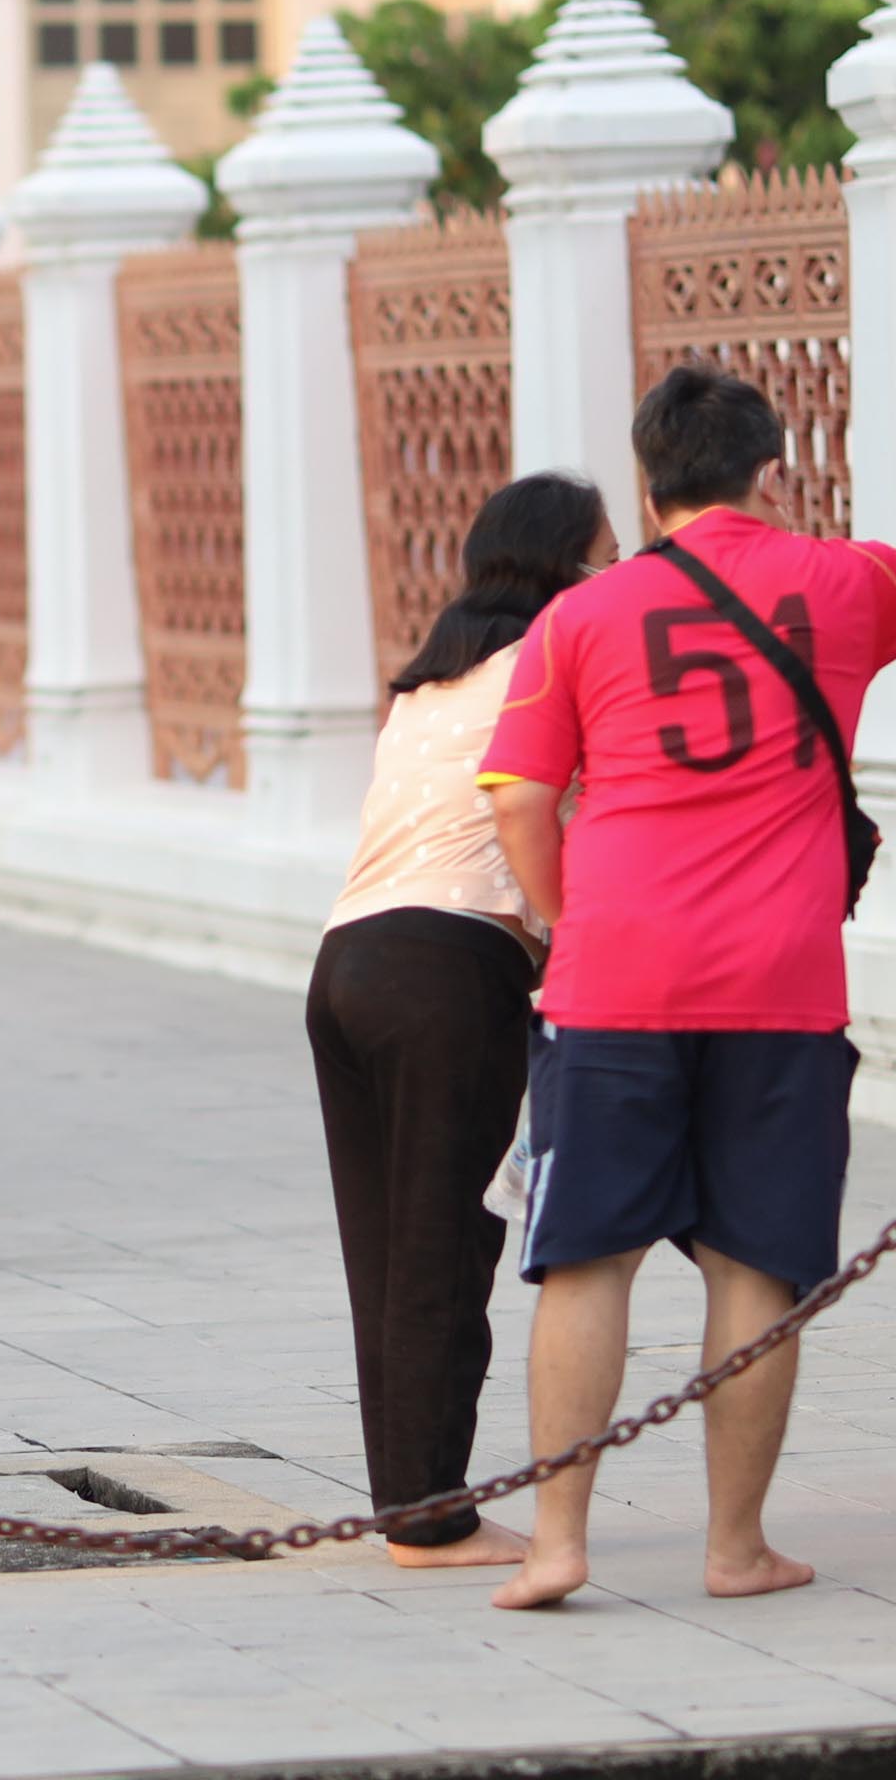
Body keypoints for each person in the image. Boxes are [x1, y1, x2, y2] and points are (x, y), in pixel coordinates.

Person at [480, 365, 896, 1611]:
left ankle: (558, 1543)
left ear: (649, 483)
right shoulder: (843, 582)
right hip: (780, 981)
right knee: (753, 1267)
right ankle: (736, 1548)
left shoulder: (580, 618)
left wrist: (571, 927)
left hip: (616, 973)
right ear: (770, 473)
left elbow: (519, 798)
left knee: (586, 1263)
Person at [310, 473, 612, 1573]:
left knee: (385, 1253)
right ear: (557, 567)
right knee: (444, 1249)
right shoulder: (552, 664)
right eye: (605, 553)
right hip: (450, 964)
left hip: (347, 960)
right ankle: (434, 1518)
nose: (616, 573)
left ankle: (413, 1503)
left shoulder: (428, 679)